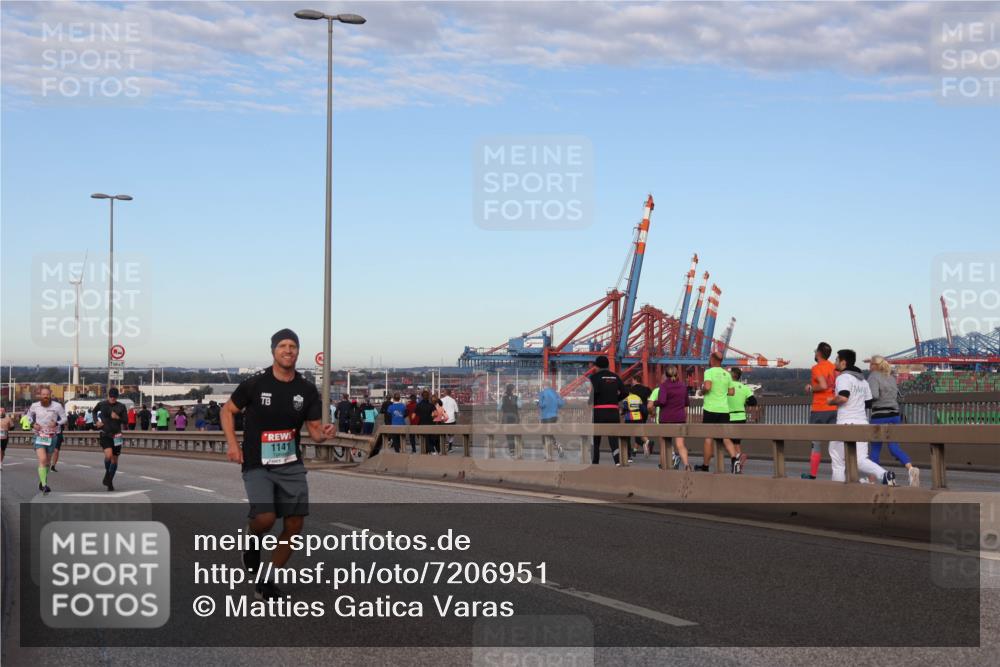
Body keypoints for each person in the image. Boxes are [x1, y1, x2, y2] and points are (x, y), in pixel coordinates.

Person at [222, 328, 333, 601]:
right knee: (266, 518)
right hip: (257, 463)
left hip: (290, 464)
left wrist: (322, 435)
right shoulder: (255, 384)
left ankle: (266, 579)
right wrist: (233, 445)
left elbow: (315, 430)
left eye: (293, 346)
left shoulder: (306, 390)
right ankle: (252, 537)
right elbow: (228, 410)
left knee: (295, 525)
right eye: (282, 345)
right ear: (273, 351)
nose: (288, 350)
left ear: (298, 351)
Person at [827, 349, 896, 486]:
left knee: (837, 458)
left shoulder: (843, 378)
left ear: (843, 362)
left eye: (836, 359)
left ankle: (837, 489)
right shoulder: (863, 381)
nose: (834, 362)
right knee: (860, 460)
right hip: (862, 422)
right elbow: (869, 403)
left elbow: (843, 397)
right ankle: (884, 475)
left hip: (845, 422)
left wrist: (831, 401)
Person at [867, 355, 919, 487]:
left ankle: (872, 480)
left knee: (875, 448)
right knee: (894, 447)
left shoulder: (873, 376)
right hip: (895, 415)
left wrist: (862, 400)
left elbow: (874, 395)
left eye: (871, 364)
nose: (869, 366)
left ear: (875, 365)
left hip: (880, 415)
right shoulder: (891, 377)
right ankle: (911, 469)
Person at [700, 352, 743, 473]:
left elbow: (707, 387)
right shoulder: (727, 374)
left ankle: (705, 466)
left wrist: (701, 392)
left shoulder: (709, 372)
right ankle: (735, 460)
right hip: (724, 410)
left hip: (710, 409)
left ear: (712, 359)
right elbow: (731, 392)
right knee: (726, 437)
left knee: (708, 438)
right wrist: (721, 392)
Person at [802, 342, 838, 480]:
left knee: (816, 444)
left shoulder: (817, 368)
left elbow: (822, 385)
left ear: (818, 353)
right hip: (834, 408)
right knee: (835, 444)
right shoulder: (834, 368)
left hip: (819, 409)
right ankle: (838, 474)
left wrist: (810, 388)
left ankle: (812, 475)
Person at [26, 387, 67, 493]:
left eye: (47, 395)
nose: (45, 396)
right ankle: (44, 485)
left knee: (47, 462)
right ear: (40, 395)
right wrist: (32, 424)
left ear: (50, 395)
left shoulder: (57, 406)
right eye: (43, 394)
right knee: (43, 459)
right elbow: (28, 416)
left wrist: (57, 423)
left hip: (52, 437)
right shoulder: (35, 406)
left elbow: (64, 418)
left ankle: (42, 480)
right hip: (39, 436)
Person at [588, 355, 627, 466]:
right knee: (613, 439)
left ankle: (595, 463)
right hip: (613, 412)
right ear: (608, 365)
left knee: (595, 440)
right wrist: (615, 400)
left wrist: (591, 402)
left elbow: (592, 395)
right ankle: (618, 462)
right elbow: (625, 392)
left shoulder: (593, 378)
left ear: (596, 366)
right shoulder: (615, 377)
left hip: (598, 412)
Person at [655, 365, 692, 470]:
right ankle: (686, 465)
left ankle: (663, 466)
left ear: (666, 375)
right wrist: (685, 417)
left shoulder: (664, 386)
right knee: (680, 444)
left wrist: (653, 403)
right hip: (679, 418)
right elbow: (686, 403)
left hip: (666, 418)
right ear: (677, 374)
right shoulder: (683, 386)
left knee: (664, 444)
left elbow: (662, 401)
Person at [94, 387, 129, 491]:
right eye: (111, 397)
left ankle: (109, 481)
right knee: (108, 455)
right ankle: (107, 474)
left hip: (117, 435)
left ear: (117, 397)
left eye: (115, 397)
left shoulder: (121, 406)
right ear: (108, 396)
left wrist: (117, 417)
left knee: (115, 460)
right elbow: (94, 412)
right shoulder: (102, 404)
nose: (113, 398)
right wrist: (96, 421)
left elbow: (126, 421)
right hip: (105, 434)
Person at [727, 367, 757, 458]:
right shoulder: (744, 388)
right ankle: (738, 463)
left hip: (730, 417)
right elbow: (753, 402)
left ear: (731, 375)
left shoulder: (727, 387)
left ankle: (738, 457)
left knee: (727, 441)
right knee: (736, 442)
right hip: (741, 417)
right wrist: (744, 402)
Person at [537, 381, 566, 461]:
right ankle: (557, 446)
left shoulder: (542, 393)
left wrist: (538, 404)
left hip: (545, 416)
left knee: (544, 435)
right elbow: (561, 403)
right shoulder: (555, 393)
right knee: (549, 433)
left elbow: (542, 405)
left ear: (543, 385)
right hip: (554, 416)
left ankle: (548, 453)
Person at [629, 376, 653, 458]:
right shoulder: (647, 389)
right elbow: (650, 399)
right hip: (644, 412)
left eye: (632, 380)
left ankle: (647, 442)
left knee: (636, 430)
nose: (632, 382)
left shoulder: (632, 389)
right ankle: (635, 450)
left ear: (635, 380)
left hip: (635, 412)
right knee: (640, 429)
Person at [441, 388, 460, 453]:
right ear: (450, 393)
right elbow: (456, 411)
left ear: (445, 393)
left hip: (443, 420)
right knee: (451, 435)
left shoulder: (441, 400)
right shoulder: (453, 400)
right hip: (451, 419)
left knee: (443, 434)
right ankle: (450, 447)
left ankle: (443, 447)